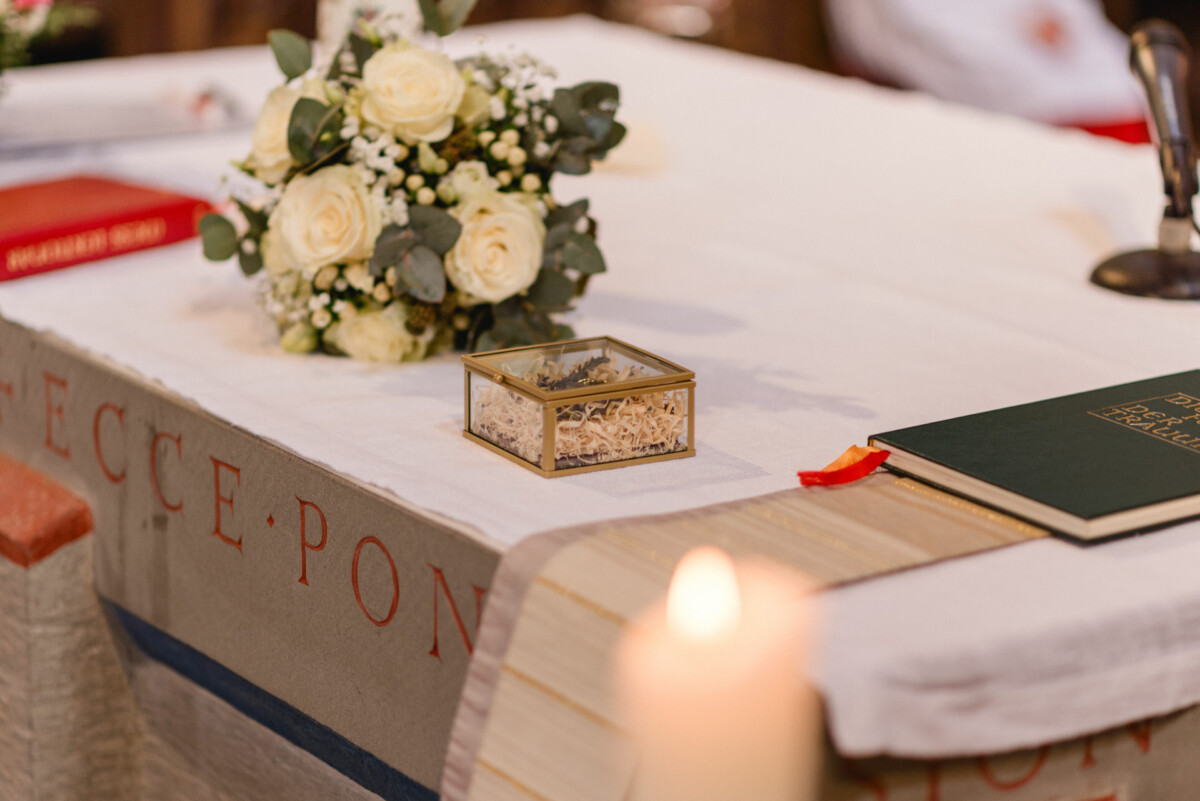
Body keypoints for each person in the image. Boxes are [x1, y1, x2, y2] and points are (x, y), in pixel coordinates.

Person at [825, 0, 1149, 141]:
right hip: (970, 41)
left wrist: (1051, 15)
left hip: (1045, 37)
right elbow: (910, 20)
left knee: (1128, 72)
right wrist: (1009, 28)